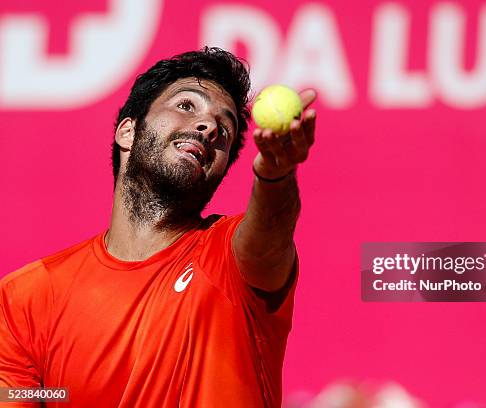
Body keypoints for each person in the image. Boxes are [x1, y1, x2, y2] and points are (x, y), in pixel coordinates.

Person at [0, 47, 317, 407]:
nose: (209, 126)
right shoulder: (23, 300)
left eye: (224, 130)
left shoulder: (229, 260)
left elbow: (270, 235)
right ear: (128, 132)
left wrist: (274, 175)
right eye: (186, 105)